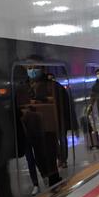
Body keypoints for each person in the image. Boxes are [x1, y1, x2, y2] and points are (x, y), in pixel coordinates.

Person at [16, 58, 63, 188]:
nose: (32, 70)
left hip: (48, 128)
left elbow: (57, 105)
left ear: (43, 69)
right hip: (30, 129)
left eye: (35, 67)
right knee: (39, 158)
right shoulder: (21, 88)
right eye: (29, 68)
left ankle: (54, 180)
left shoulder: (51, 85)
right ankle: (48, 179)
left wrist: (38, 102)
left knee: (49, 155)